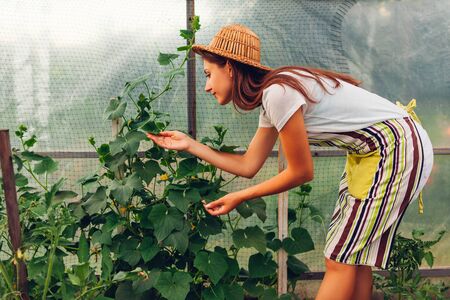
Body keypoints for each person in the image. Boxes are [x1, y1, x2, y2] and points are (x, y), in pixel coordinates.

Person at [146, 24, 433, 300]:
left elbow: (301, 172)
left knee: (339, 259)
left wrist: (241, 196)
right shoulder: (273, 96)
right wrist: (190, 145)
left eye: (209, 74)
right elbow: (248, 165)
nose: (207, 86)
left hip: (393, 147)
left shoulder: (278, 94)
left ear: (230, 68)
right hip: (372, 152)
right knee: (351, 258)